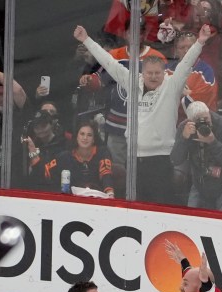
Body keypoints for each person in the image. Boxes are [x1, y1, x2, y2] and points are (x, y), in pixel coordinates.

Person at [74, 23, 212, 204]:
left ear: (165, 73)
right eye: (149, 73)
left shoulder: (172, 85)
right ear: (142, 73)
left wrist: (200, 42)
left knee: (160, 207)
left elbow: (185, 64)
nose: (154, 77)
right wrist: (86, 39)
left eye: (157, 73)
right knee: (135, 207)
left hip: (162, 160)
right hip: (134, 160)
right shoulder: (132, 82)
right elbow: (109, 62)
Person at [171, 100, 222, 212]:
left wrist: (213, 142)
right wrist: (184, 139)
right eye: (199, 122)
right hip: (201, 183)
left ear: (209, 113)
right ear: (190, 121)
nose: (204, 124)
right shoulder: (185, 128)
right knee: (191, 220)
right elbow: (176, 160)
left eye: (206, 119)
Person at [44, 121, 115, 198]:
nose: (85, 138)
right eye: (82, 134)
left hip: (97, 201)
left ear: (94, 139)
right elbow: (46, 172)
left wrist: (110, 194)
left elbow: (106, 174)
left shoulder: (102, 153)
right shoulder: (65, 157)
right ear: (77, 137)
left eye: (89, 135)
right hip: (71, 202)